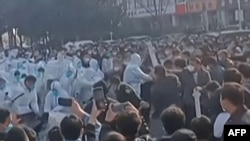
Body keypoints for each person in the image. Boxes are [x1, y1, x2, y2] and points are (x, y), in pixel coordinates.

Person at [179, 58, 211, 126]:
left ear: (199, 65)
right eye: (189, 64)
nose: (191, 66)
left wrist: (201, 88)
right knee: (190, 119)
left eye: (193, 64)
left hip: (202, 101)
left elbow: (209, 85)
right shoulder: (184, 73)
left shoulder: (205, 73)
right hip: (189, 101)